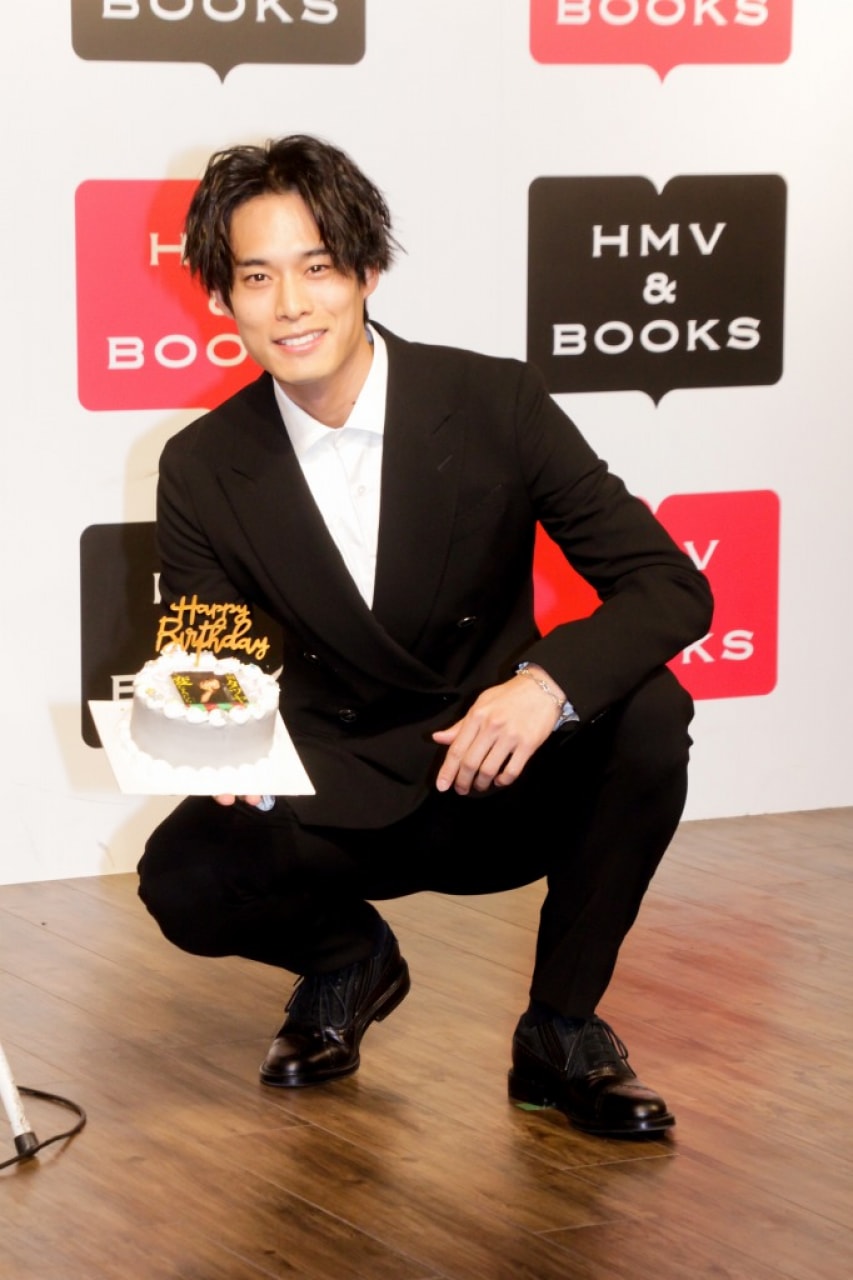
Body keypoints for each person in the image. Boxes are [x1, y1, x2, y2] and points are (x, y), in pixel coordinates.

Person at [137, 134, 714, 1139]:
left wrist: (543, 685)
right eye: (257, 277)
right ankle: (348, 961)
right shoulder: (200, 463)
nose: (291, 304)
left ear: (367, 270)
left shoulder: (494, 402)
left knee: (649, 710)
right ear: (222, 300)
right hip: (338, 792)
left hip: (497, 770)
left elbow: (667, 585)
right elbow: (214, 654)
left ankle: (560, 1031)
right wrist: (216, 734)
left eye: (318, 266)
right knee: (182, 875)